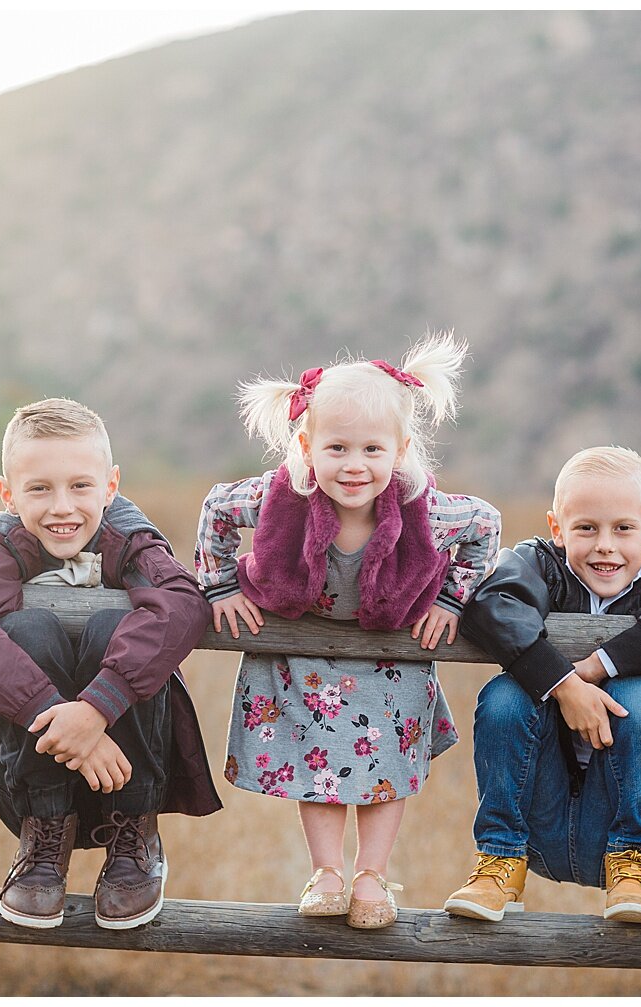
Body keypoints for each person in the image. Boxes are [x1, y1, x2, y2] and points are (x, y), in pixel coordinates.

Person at [195, 332, 500, 930]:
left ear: (401, 449)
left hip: (391, 655)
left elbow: (486, 527)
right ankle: (327, 872)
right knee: (317, 758)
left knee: (385, 766)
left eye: (371, 449)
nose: (353, 466)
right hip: (303, 647)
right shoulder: (279, 495)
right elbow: (216, 512)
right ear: (306, 446)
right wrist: (220, 587)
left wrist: (451, 599)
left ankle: (372, 876)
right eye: (336, 448)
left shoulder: (428, 510)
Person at [0, 397, 221, 932]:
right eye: (39, 488)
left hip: (133, 776)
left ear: (111, 486)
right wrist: (61, 715)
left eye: (81, 486)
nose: (62, 507)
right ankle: (43, 841)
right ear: (7, 493)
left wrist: (97, 707)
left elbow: (184, 602)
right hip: (25, 783)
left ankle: (133, 838)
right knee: (27, 630)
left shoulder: (131, 541)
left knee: (111, 627)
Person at [446, 446, 641, 925]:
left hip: (626, 820)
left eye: (624, 528)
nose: (605, 546)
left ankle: (633, 868)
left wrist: (592, 669)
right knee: (505, 695)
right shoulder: (537, 562)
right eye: (586, 528)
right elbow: (491, 604)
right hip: (537, 821)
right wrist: (563, 686)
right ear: (557, 529)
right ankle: (499, 861)